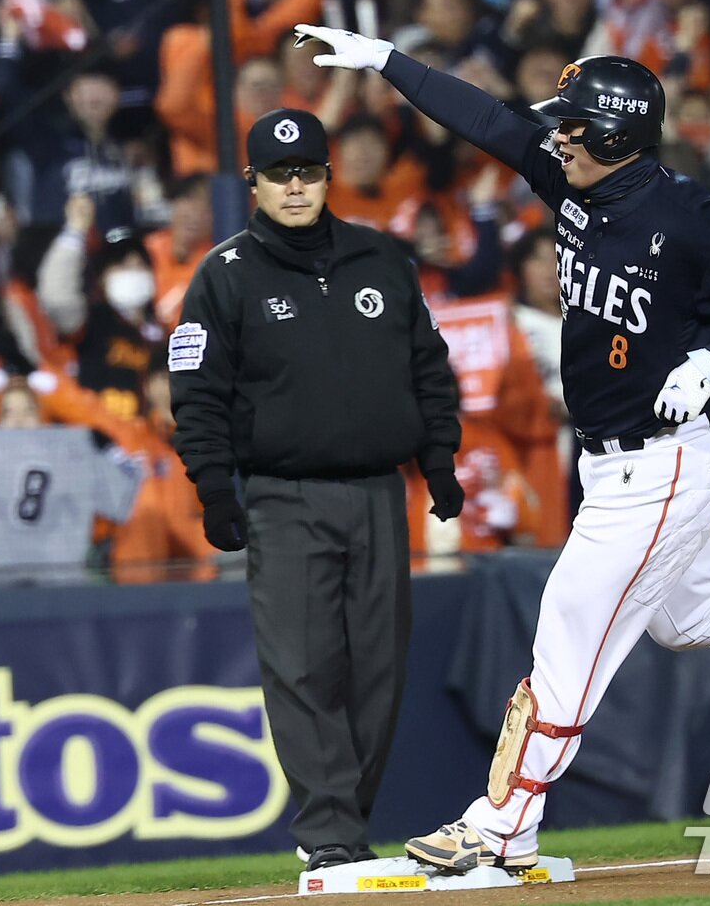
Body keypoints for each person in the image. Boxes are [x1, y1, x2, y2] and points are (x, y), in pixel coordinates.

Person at [294, 24, 710, 873]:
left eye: (571, 126)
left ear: (612, 137)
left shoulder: (686, 215)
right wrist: (388, 62)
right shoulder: (576, 185)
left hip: (664, 461)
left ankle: (501, 823)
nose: (556, 136)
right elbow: (492, 124)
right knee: (693, 619)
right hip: (614, 462)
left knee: (569, 633)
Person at [168, 107, 463, 871]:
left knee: (379, 668)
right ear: (253, 182)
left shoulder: (383, 259)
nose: (294, 186)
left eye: (306, 172)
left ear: (328, 175)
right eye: (278, 173)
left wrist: (439, 461)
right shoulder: (224, 275)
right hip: (284, 495)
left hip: (377, 491)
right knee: (302, 666)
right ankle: (329, 830)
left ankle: (344, 824)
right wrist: (215, 489)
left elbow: (428, 367)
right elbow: (195, 394)